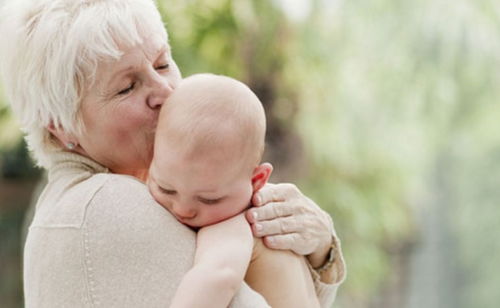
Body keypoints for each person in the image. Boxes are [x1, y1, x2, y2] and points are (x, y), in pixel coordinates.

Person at [0, 0, 345, 307]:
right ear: (61, 126)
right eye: (127, 86)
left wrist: (319, 249)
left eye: (163, 63)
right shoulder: (109, 204)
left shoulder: (152, 187)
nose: (165, 91)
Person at [149, 73, 320, 308]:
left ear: (257, 181)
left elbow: (218, 277)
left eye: (209, 200)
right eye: (165, 188)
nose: (183, 209)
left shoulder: (240, 223)